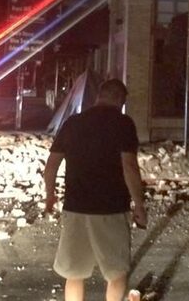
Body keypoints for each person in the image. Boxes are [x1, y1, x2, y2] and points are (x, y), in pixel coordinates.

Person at [44, 78, 147, 301]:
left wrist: (49, 196)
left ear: (99, 96)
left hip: (76, 207)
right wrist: (139, 204)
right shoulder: (123, 123)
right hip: (111, 209)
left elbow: (51, 165)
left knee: (74, 273)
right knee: (117, 272)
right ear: (120, 99)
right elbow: (129, 166)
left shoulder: (73, 122)